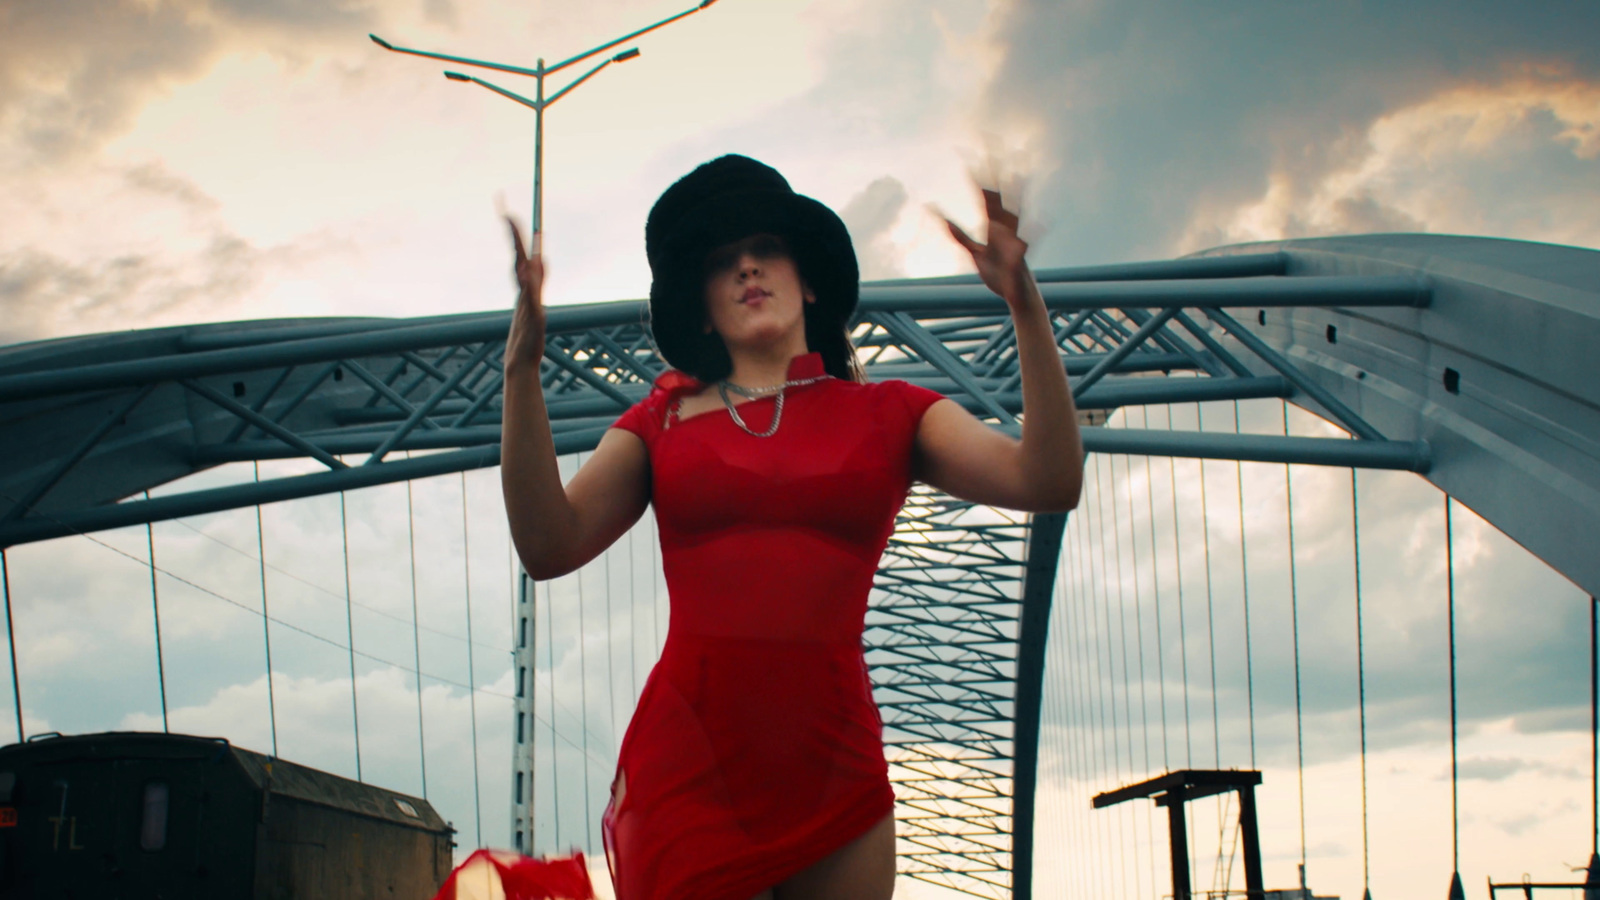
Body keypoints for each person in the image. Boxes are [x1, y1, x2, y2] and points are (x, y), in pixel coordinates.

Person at [499, 155, 1083, 900]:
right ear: (702, 307)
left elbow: (1050, 481)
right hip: (691, 766)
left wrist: (1024, 305)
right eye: (722, 262)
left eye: (766, 249)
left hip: (835, 771)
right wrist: (521, 370)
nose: (747, 266)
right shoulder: (660, 424)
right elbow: (548, 546)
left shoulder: (894, 414)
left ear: (808, 280)